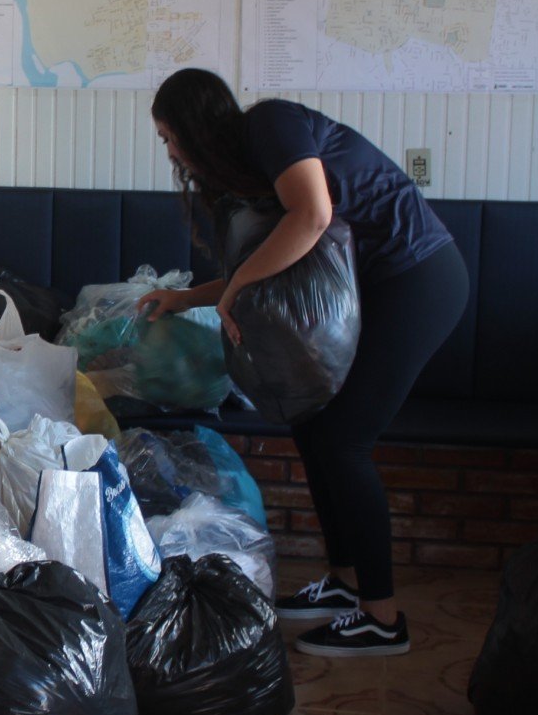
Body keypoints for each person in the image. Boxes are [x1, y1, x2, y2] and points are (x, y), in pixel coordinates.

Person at [138, 68, 467, 657]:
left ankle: (382, 617)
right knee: (315, 429)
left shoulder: (273, 125)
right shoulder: (252, 174)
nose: (170, 151)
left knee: (345, 441)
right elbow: (272, 260)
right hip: (377, 289)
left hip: (419, 278)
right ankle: (345, 584)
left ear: (193, 124)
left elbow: (312, 216)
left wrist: (235, 290)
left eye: (168, 136)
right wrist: (189, 297)